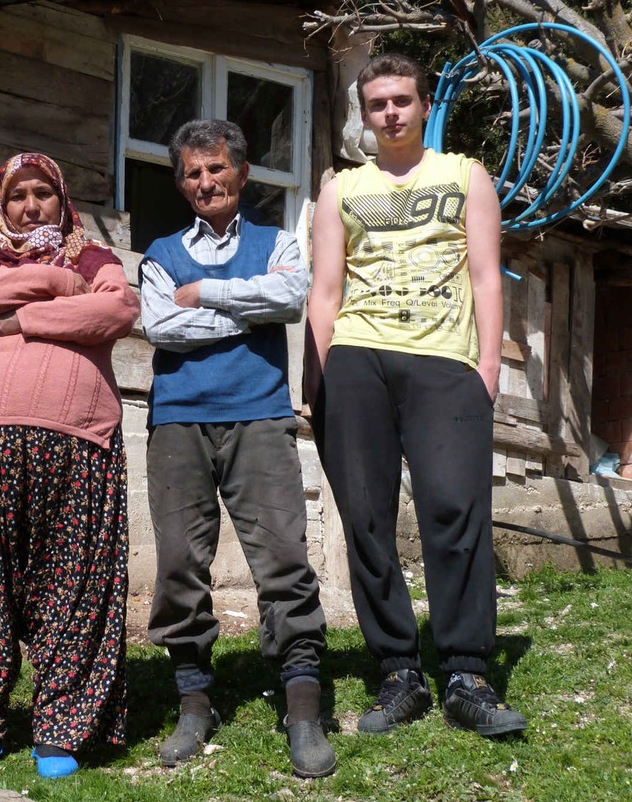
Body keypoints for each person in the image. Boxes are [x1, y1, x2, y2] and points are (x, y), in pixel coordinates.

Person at [304, 52, 527, 738]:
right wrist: (317, 380)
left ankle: (465, 671)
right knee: (366, 516)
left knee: (455, 509)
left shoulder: (465, 176)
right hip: (358, 358)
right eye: (378, 104)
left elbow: (489, 276)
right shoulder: (342, 188)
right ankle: (398, 669)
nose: (391, 112)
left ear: (425, 105)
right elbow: (326, 291)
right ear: (364, 115)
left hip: (446, 361)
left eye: (402, 99)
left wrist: (488, 367)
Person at [0, 152, 139, 780]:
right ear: (3, 203)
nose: (31, 206)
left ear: (62, 200)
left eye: (43, 193)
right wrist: (59, 287)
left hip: (77, 436)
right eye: (18, 195)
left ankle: (64, 728)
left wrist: (17, 319)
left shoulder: (95, 256)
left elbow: (117, 311)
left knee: (75, 581)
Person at [140, 119, 337, 779]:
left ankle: (303, 706)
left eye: (216, 169)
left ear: (241, 173)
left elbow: (289, 296)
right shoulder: (163, 253)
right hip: (179, 420)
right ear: (181, 182)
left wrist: (212, 295)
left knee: (283, 559)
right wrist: (241, 312)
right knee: (177, 566)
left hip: (259, 414)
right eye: (193, 173)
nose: (206, 183)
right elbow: (161, 325)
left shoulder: (277, 241)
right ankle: (194, 702)